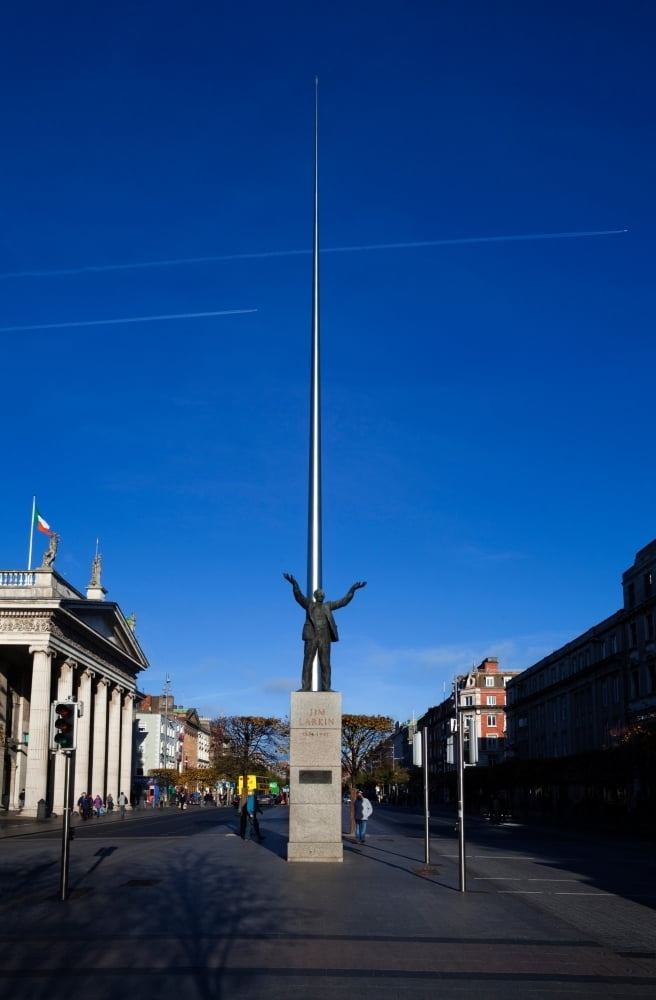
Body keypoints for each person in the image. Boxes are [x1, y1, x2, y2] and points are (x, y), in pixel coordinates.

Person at [283, 574, 367, 690]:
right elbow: (299, 597)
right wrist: (294, 584)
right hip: (311, 636)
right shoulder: (309, 605)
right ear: (315, 596)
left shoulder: (328, 606)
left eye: (322, 594)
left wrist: (352, 590)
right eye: (319, 594)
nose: (321, 596)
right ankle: (306, 687)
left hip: (324, 637)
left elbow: (343, 602)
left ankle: (326, 687)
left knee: (325, 664)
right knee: (308, 663)